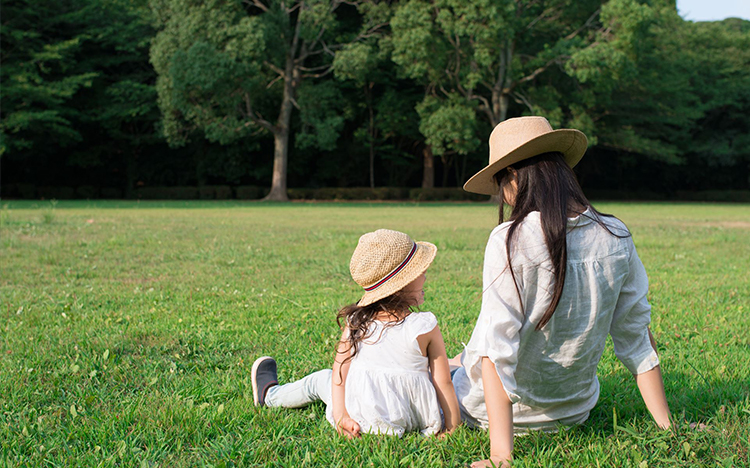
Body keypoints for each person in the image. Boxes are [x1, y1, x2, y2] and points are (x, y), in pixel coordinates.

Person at [451, 117, 672, 468]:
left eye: (499, 184)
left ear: (512, 176)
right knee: (461, 360)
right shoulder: (616, 234)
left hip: (491, 414)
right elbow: (637, 335)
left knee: (422, 365)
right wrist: (668, 426)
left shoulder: (510, 239)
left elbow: (497, 352)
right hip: (575, 411)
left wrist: (500, 457)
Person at [251, 229, 461, 438]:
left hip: (363, 416)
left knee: (320, 380)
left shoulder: (355, 322)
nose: (425, 276)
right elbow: (443, 382)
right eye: (420, 272)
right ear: (400, 285)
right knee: (441, 368)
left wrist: (341, 415)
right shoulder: (425, 325)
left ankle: (270, 395)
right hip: (416, 415)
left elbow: (339, 375)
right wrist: (451, 427)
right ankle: (463, 361)